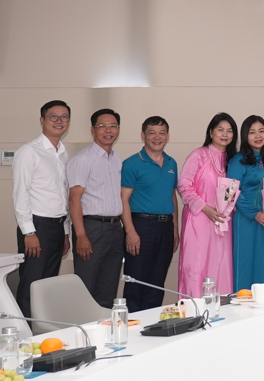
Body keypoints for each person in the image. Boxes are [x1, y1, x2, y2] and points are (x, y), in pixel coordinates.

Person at [12, 100, 72, 315]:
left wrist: (65, 232)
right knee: (32, 284)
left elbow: (63, 195)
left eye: (64, 117)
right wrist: (29, 232)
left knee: (47, 285)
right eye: (53, 116)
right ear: (42, 120)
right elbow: (21, 193)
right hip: (37, 227)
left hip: (57, 227)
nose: (59, 121)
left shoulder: (63, 153)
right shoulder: (29, 152)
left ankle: (43, 327)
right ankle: (24, 330)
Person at [66, 108, 125, 307]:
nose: (108, 130)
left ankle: (104, 324)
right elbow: (74, 200)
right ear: (93, 130)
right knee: (86, 285)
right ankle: (81, 325)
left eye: (113, 126)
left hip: (115, 229)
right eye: (102, 126)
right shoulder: (83, 160)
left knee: (109, 286)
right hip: (91, 229)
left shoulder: (116, 159)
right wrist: (81, 235)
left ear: (118, 130)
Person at [120, 116, 179, 312]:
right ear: (143, 135)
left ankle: (151, 324)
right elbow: (123, 200)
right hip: (141, 227)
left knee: (157, 284)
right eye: (152, 133)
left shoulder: (171, 163)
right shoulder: (132, 163)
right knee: (136, 282)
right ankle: (133, 324)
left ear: (167, 136)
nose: (157, 137)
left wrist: (175, 229)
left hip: (165, 228)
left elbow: (172, 196)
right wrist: (130, 232)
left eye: (162, 133)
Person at [178, 113, 237, 296]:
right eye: (220, 129)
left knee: (221, 266)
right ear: (211, 132)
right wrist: (205, 208)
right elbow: (183, 185)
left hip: (223, 223)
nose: (224, 134)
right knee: (196, 266)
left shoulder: (233, 160)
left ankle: (221, 309)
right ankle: (194, 307)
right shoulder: (199, 155)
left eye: (229, 131)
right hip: (198, 220)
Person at [228, 115, 264, 290]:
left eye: (261, 131)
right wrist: (255, 214)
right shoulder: (239, 160)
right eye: (252, 132)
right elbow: (232, 192)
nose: (258, 135)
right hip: (247, 220)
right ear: (245, 136)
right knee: (246, 265)